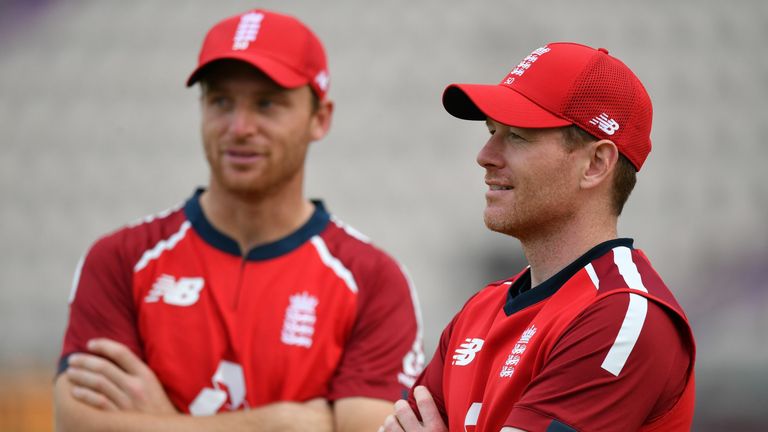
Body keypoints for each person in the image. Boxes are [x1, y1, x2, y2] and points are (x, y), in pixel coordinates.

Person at [54, 9, 424, 432]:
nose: (239, 127)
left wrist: (161, 423)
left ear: (320, 118)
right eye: (220, 101)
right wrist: (286, 423)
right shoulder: (120, 260)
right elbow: (77, 423)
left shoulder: (372, 279)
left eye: (267, 103)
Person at [380, 42, 695, 432]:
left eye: (518, 136)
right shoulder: (479, 309)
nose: (485, 154)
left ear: (596, 164)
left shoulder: (624, 313)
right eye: (492, 131)